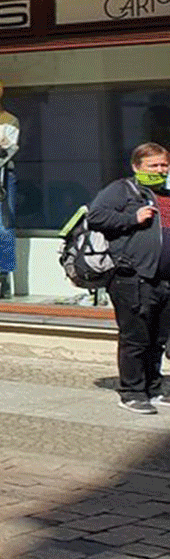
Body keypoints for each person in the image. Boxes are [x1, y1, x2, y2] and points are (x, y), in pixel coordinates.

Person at [88, 142, 170, 415]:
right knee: (136, 338)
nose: (159, 170)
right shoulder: (123, 190)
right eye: (153, 165)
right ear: (137, 167)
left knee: (158, 338)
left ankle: (153, 387)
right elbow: (96, 216)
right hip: (132, 277)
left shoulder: (166, 193)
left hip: (164, 279)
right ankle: (132, 392)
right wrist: (132, 218)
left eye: (164, 165)